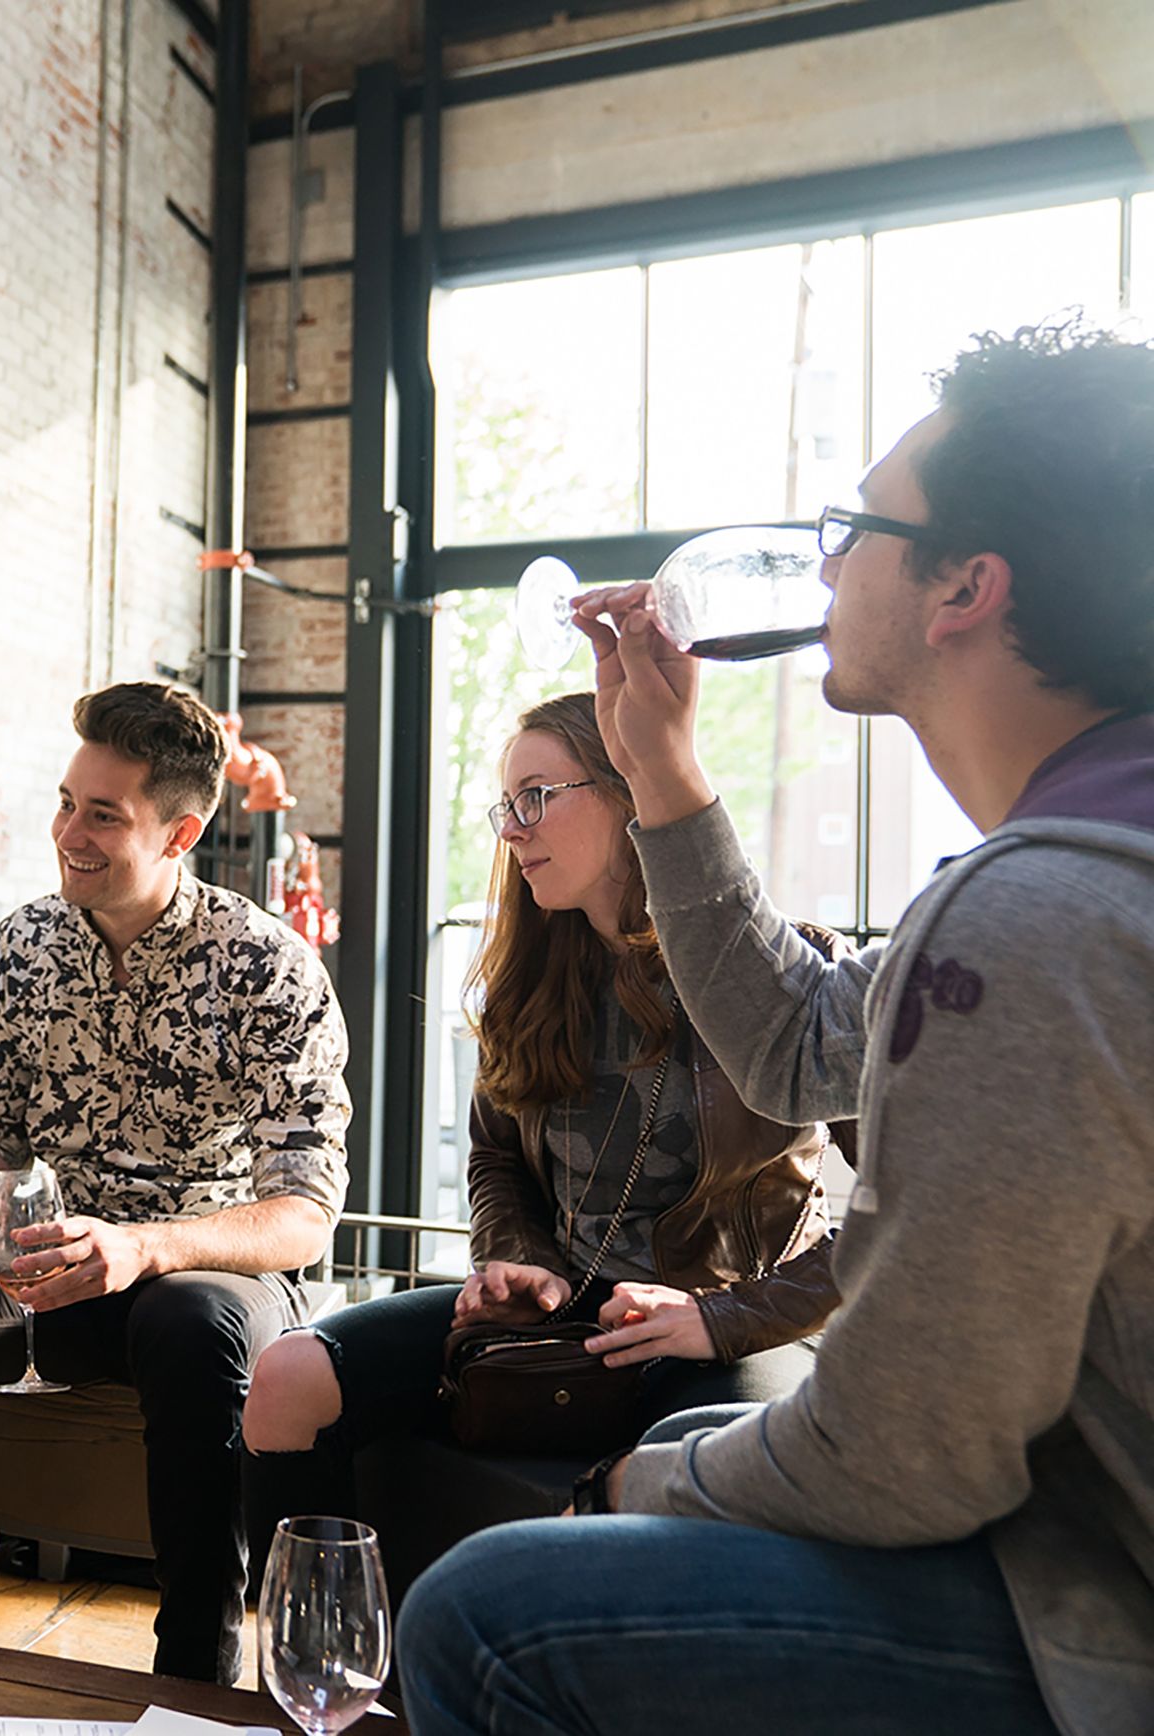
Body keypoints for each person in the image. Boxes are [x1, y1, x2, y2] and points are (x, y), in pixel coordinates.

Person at [399, 321, 1154, 1736]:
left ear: (965, 589)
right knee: (691, 1440)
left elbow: (902, 1455)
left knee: (483, 1615)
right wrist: (665, 772)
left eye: (855, 528)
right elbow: (801, 1045)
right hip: (1081, 1533)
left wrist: (631, 1488)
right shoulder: (1083, 860)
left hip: (1108, 1613)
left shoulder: (1038, 915)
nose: (820, 563)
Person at [239, 691, 846, 1541]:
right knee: (287, 1377)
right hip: (561, 1312)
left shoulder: (790, 971)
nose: (511, 830)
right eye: (506, 806)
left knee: (686, 1482)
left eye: (536, 797)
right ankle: (325, 1660)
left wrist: (720, 1318)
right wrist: (517, 1260)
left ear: (629, 792)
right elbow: (495, 1161)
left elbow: (914, 1208)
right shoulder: (530, 979)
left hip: (728, 1328)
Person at [0, 680, 352, 1683]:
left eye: (101, 813)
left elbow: (303, 1212)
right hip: (55, 1270)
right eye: (65, 800)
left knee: (187, 1324)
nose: (66, 830)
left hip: (207, 1275)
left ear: (178, 831)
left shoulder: (268, 966)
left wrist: (148, 1243)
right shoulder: (20, 947)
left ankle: (192, 1675)